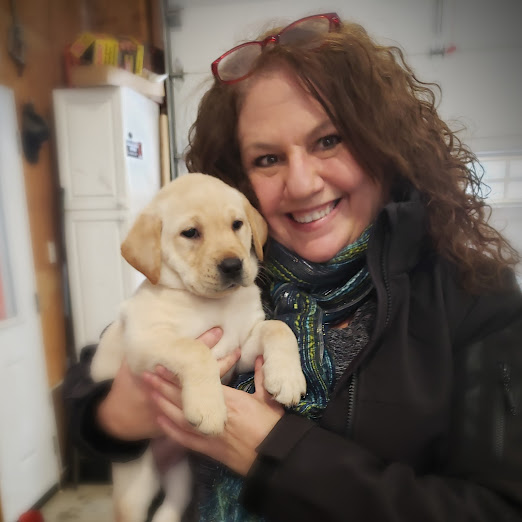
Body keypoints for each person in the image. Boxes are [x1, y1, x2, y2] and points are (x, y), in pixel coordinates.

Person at [63, 12, 522, 521]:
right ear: (240, 179)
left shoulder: (475, 296)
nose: (301, 184)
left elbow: (498, 508)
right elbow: (90, 381)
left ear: (383, 144)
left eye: (328, 140)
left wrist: (277, 456)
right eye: (267, 159)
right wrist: (114, 418)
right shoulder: (223, 272)